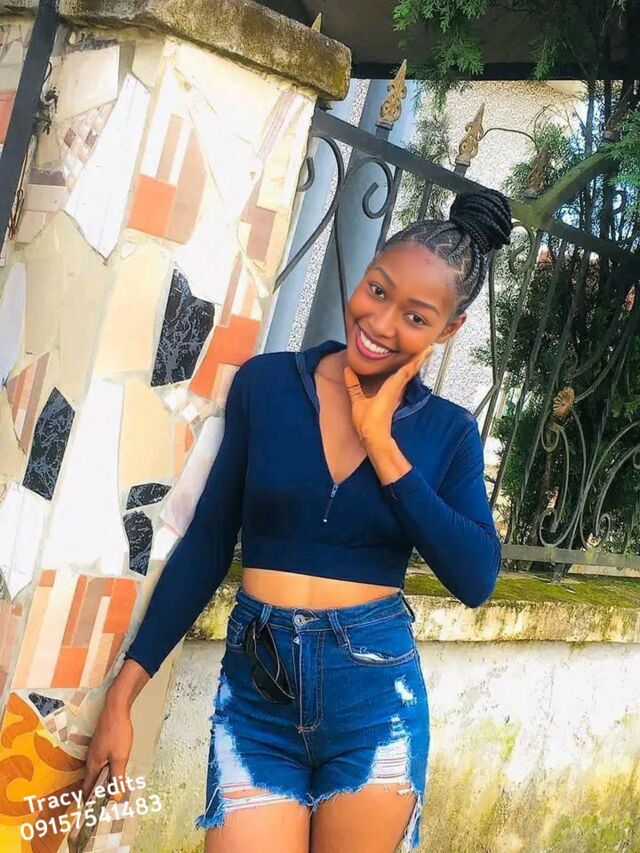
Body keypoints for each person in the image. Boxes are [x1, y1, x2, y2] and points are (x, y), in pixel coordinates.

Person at [83, 188, 512, 853]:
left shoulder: (446, 432)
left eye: (415, 316)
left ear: (447, 331)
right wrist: (123, 695)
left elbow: (476, 577)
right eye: (377, 290)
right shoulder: (268, 385)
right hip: (260, 693)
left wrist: (381, 442)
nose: (380, 322)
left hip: (373, 699)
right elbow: (207, 545)